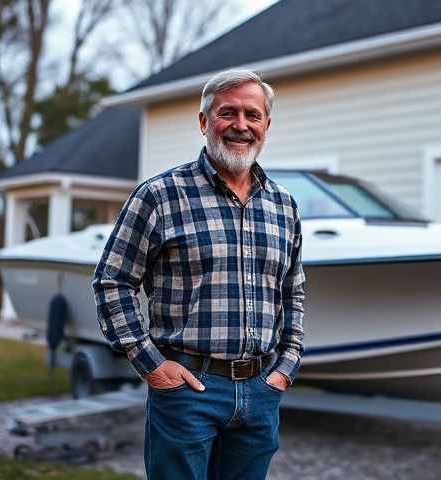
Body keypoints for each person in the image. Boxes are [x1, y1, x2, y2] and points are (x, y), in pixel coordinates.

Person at [92, 69, 305, 480]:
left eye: (252, 115)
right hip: (187, 390)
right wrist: (151, 363)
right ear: (205, 122)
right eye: (228, 113)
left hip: (261, 390)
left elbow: (292, 292)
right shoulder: (159, 196)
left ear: (266, 126)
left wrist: (286, 366)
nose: (240, 125)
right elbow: (112, 282)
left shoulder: (284, 206)